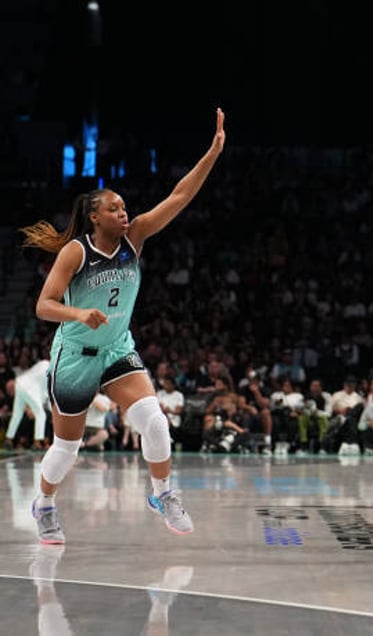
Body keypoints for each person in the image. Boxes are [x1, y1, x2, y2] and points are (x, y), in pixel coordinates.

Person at [19, 107, 226, 544]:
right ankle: (45, 504)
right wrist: (79, 314)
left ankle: (163, 493)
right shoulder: (75, 253)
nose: (124, 213)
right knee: (67, 449)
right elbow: (43, 306)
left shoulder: (136, 239)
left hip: (116, 350)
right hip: (75, 356)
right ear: (95, 216)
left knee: (154, 421)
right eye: (114, 209)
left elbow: (178, 197)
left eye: (125, 207)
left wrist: (212, 152)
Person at [4, 358, 50, 450]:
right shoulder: (49, 368)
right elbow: (45, 391)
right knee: (41, 415)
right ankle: (37, 443)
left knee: (17, 415)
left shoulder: (44, 364)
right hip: (28, 389)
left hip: (20, 384)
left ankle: (8, 439)